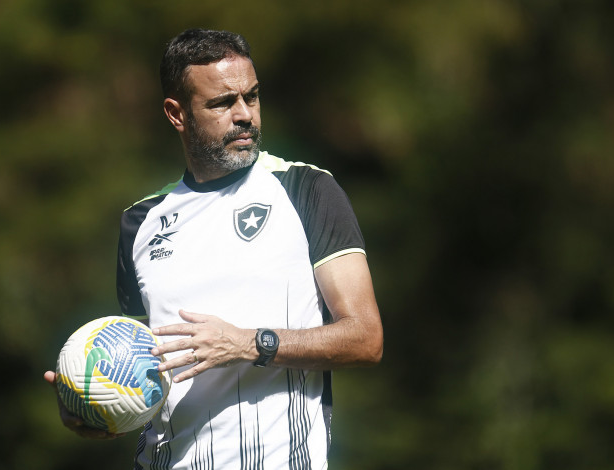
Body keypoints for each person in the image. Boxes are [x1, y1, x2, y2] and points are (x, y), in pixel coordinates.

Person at [44, 28, 383, 469]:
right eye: (223, 103)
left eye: (252, 97)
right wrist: (96, 402)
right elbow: (142, 367)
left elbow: (365, 338)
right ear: (176, 113)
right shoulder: (140, 222)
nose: (245, 114)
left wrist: (247, 344)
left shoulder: (306, 189)